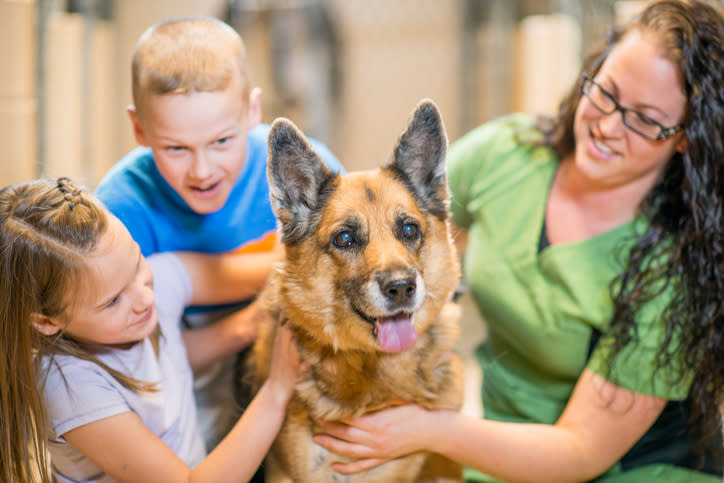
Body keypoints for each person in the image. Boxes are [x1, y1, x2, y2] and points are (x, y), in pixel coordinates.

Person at [312, 1, 724, 481]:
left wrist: (428, 429)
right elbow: (386, 232)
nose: (609, 127)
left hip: (627, 468)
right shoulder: (507, 154)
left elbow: (581, 452)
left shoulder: (673, 268)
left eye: (645, 120)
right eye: (607, 93)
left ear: (684, 139)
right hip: (495, 450)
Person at [94, 15, 344, 450]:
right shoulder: (121, 209)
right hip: (186, 385)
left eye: (222, 141)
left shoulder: (302, 169)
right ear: (139, 129)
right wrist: (249, 322)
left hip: (301, 374)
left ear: (252, 110)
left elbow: (344, 275)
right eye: (175, 148)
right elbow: (132, 363)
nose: (203, 170)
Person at [0, 177, 306, 483]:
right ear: (46, 321)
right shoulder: (68, 384)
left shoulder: (155, 282)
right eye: (113, 302)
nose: (145, 297)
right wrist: (276, 390)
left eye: (136, 264)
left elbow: (163, 365)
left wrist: (249, 325)